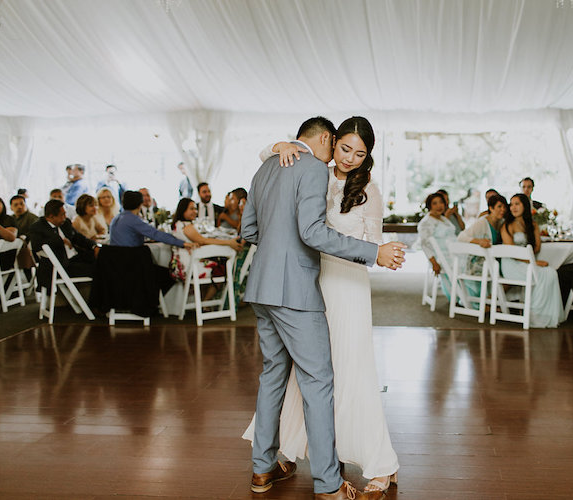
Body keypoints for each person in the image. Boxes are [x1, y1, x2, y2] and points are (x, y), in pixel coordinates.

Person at [240, 116, 403, 499]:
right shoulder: (311, 168)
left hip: (268, 287)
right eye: (342, 147)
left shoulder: (267, 168)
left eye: (358, 153)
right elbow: (311, 232)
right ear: (329, 140)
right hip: (299, 289)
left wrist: (279, 146)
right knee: (317, 381)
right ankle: (329, 482)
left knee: (274, 375)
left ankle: (262, 470)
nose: (345, 157)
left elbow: (249, 230)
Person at [500, 193, 564, 327]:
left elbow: (537, 247)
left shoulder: (532, 224)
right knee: (542, 274)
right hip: (512, 264)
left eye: (517, 204)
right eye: (511, 204)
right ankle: (535, 316)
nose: (513, 207)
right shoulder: (507, 225)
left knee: (551, 273)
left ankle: (544, 315)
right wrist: (533, 263)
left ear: (525, 205)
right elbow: (512, 252)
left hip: (526, 261)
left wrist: (532, 260)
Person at [169, 198, 243, 297]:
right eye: (191, 209)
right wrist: (228, 242)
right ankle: (206, 302)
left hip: (180, 266)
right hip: (189, 267)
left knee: (215, 263)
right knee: (221, 269)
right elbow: (203, 241)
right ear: (183, 210)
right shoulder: (186, 227)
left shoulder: (178, 225)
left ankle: (204, 302)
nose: (195, 212)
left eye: (195, 209)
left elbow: (201, 241)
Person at [29, 199, 99, 287]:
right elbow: (36, 246)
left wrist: (94, 246)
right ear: (51, 216)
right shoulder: (37, 227)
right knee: (97, 269)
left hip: (75, 258)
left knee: (104, 260)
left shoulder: (65, 223)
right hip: (60, 266)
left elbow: (78, 237)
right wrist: (60, 240)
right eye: (62, 214)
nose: (65, 217)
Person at [457, 193, 507, 304]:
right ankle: (491, 302)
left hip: (495, 261)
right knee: (508, 275)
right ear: (491, 208)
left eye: (504, 207)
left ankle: (497, 302)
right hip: (480, 264)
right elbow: (461, 237)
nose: (502, 210)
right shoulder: (482, 222)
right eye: (499, 207)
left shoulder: (502, 223)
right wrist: (479, 241)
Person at [109, 191, 195, 250]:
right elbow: (155, 234)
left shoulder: (116, 218)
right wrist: (183, 243)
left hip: (115, 262)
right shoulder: (133, 219)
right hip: (131, 259)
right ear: (140, 205)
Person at [418, 191, 459, 300]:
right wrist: (434, 263)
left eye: (441, 202)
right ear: (429, 206)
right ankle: (471, 300)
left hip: (454, 252)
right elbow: (425, 245)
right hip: (444, 257)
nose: (439, 206)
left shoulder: (443, 218)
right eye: (434, 203)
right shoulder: (426, 223)